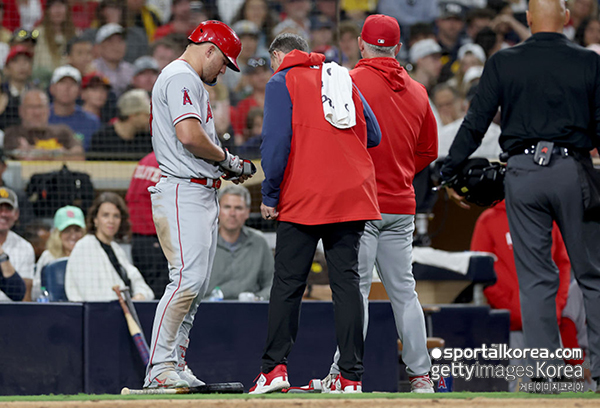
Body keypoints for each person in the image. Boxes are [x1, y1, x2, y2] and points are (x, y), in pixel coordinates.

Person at [440, 0, 600, 387]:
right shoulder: (589, 61)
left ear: (527, 18)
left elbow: (475, 122)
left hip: (523, 173)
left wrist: (449, 172)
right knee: (592, 275)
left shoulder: (503, 61)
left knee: (535, 279)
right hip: (572, 170)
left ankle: (544, 378)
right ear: (566, 18)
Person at [250, 32, 381, 395]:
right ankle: (350, 377)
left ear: (278, 55)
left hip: (304, 196)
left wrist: (270, 194)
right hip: (352, 194)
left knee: (289, 284)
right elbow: (374, 134)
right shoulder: (340, 75)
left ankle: (274, 371)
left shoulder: (281, 81)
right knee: (347, 285)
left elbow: (275, 145)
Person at [321, 14, 439, 394]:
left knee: (356, 291)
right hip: (401, 204)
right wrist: (400, 169)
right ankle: (422, 377)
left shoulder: (350, 81)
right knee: (404, 291)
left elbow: (332, 140)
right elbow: (429, 151)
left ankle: (345, 374)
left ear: (361, 43)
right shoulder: (419, 91)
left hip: (361, 204)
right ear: (398, 48)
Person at [144, 20, 253, 390]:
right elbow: (189, 136)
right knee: (186, 281)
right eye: (224, 61)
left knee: (196, 285)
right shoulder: (180, 75)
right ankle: (159, 366)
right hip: (181, 190)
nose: (224, 70)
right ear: (209, 49)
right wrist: (229, 160)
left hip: (198, 189)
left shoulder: (188, 79)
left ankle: (175, 361)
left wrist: (223, 164)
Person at [470, 200, 571, 391]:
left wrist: (555, 306)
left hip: (546, 324)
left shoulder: (548, 218)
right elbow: (481, 271)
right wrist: (513, 309)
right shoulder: (489, 220)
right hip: (510, 328)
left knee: (554, 390)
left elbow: (563, 263)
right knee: (516, 390)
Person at [65, 192, 154, 302]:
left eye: (116, 216)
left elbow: (140, 284)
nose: (111, 221)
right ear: (95, 220)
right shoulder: (84, 247)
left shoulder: (117, 249)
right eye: (105, 215)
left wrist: (140, 296)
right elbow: (91, 296)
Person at [206, 184, 274, 300]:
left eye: (238, 208)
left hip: (249, 311)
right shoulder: (204, 241)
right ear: (217, 210)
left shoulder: (259, 243)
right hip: (207, 310)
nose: (232, 213)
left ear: (247, 212)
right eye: (227, 207)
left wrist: (258, 299)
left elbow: (271, 285)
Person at [125, 152, 168, 298]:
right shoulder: (167, 162)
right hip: (155, 239)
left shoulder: (146, 160)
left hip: (138, 240)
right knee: (158, 295)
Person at [4, 88, 84, 161]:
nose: (37, 113)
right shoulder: (12, 133)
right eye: (31, 107)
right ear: (21, 111)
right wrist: (59, 152)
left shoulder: (63, 131)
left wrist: (33, 151)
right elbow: (24, 157)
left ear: (48, 110)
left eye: (40, 107)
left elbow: (79, 156)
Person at [32, 205, 85, 300]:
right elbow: (36, 291)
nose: (73, 236)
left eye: (77, 230)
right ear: (57, 234)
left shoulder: (90, 256)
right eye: (67, 231)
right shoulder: (48, 256)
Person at [88, 89, 152, 160]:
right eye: (146, 115)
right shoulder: (102, 138)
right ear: (133, 115)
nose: (150, 119)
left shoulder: (147, 139)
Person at [48, 65, 101, 151]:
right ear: (52, 88)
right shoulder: (40, 117)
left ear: (79, 91)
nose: (67, 88)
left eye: (72, 84)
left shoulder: (92, 122)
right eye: (62, 83)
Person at [0, 187, 35, 302]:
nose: (3, 214)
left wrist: (2, 257)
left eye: (8, 209)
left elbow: (22, 294)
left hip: (11, 313)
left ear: (16, 214)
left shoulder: (25, 248)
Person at [92, 23, 135, 97]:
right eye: (110, 41)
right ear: (98, 47)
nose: (116, 46)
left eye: (120, 41)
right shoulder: (92, 69)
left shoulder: (131, 70)